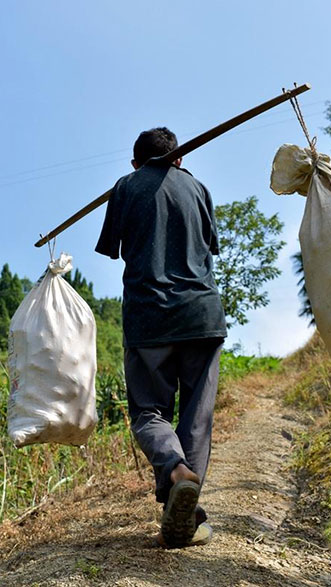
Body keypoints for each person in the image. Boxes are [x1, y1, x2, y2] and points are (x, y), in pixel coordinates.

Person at [95, 127, 226, 548]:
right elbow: (210, 246)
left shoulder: (125, 187)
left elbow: (112, 247)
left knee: (149, 412)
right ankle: (188, 513)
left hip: (149, 318)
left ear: (135, 163)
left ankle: (173, 470)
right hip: (201, 316)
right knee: (196, 418)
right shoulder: (199, 189)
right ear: (180, 159)